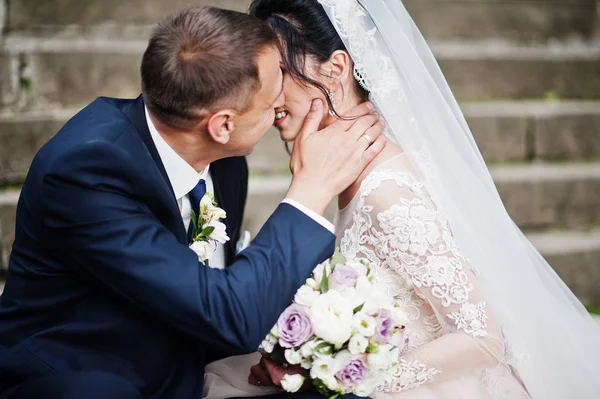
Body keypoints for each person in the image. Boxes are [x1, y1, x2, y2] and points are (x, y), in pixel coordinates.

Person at [201, 1, 600, 398]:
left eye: (280, 73)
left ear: (336, 68)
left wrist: (339, 377)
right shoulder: (343, 174)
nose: (266, 95)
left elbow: (483, 337)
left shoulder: (387, 194)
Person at [0, 5, 386, 399]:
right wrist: (310, 190)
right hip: (86, 378)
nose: (280, 103)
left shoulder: (223, 160)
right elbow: (229, 314)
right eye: (273, 94)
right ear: (222, 125)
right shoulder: (85, 172)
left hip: (190, 363)